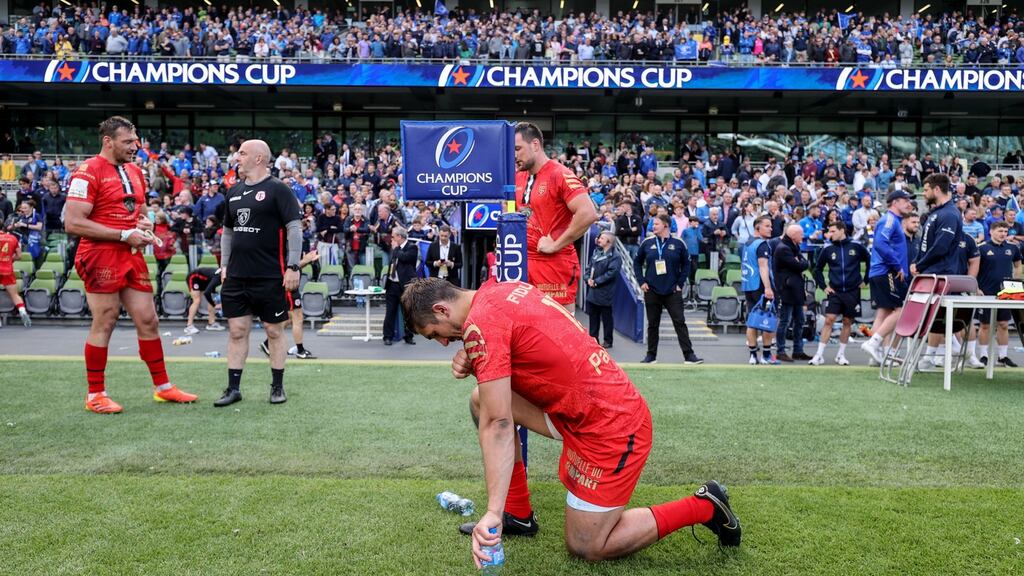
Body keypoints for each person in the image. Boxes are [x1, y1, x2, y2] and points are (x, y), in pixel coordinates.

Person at [400, 278, 740, 566]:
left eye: (435, 334)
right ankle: (518, 514)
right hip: (581, 410)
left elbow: (500, 424)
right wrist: (480, 362)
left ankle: (704, 505)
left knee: (587, 545)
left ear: (442, 310)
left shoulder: (480, 325)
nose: (444, 342)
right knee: (481, 400)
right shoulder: (500, 290)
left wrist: (491, 511)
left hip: (612, 426)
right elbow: (532, 352)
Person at [64, 116, 197, 414]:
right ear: (108, 141)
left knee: (149, 319)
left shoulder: (135, 170)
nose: (134, 147)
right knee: (106, 319)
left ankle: (163, 388)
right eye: (128, 142)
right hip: (99, 253)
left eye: (135, 141)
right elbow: (73, 222)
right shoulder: (87, 172)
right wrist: (124, 233)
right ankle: (95, 393)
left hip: (130, 253)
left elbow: (137, 209)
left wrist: (143, 222)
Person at [214, 139, 302, 408]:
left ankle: (277, 386)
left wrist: (293, 266)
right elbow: (228, 232)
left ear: (259, 158)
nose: (236, 157)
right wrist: (225, 264)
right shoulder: (234, 191)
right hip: (237, 276)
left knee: (274, 331)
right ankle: (233, 388)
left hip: (270, 276)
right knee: (237, 330)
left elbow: (294, 229)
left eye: (242, 153)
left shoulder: (278, 190)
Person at [514, 122, 599, 308]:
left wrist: (555, 244)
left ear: (535, 145)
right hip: (526, 265)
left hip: (555, 269)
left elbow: (588, 213)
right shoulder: (518, 177)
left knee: (557, 332)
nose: (515, 155)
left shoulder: (560, 174)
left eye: (518, 149)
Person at [913, 174, 968, 371]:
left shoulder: (949, 214)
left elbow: (941, 247)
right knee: (931, 319)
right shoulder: (937, 213)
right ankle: (941, 350)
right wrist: (917, 262)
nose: (924, 193)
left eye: (926, 189)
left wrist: (920, 265)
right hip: (930, 272)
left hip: (941, 275)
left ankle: (953, 346)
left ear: (937, 190)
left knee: (934, 319)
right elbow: (926, 245)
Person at [633, 214, 703, 365]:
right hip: (651, 290)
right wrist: (641, 281)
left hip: (672, 291)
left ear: (665, 225)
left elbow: (686, 264)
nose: (653, 226)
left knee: (680, 322)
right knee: (652, 324)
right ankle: (651, 356)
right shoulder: (647, 242)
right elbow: (637, 263)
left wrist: (680, 283)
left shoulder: (678, 243)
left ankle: (689, 356)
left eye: (656, 224)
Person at [860, 190, 916, 365]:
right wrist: (897, 265)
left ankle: (877, 355)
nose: (909, 204)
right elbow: (880, 243)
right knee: (900, 310)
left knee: (884, 312)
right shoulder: (890, 220)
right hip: (887, 272)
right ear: (895, 202)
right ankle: (873, 343)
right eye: (906, 200)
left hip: (882, 272)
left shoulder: (894, 221)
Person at [809, 221, 870, 366]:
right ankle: (819, 355)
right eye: (829, 232)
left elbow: (870, 262)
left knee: (847, 322)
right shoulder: (827, 249)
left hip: (852, 291)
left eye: (833, 231)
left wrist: (865, 280)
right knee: (829, 319)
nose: (830, 235)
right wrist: (823, 286)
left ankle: (840, 355)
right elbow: (817, 269)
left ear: (842, 231)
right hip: (835, 291)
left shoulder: (856, 246)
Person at [259, 250, 322, 360]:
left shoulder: (295, 240)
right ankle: (300, 351)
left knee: (288, 319)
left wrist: (307, 260)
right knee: (298, 317)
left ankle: (267, 343)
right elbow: (289, 267)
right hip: (288, 284)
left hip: (289, 284)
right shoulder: (288, 241)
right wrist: (306, 260)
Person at [975, 221, 1022, 367]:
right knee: (985, 324)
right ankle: (983, 355)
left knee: (1003, 324)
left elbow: (1018, 265)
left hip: (1005, 293)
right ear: (991, 232)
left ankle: (1003, 357)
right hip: (986, 291)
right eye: (1000, 231)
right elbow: (973, 267)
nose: (1003, 234)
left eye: (1005, 231)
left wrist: (1015, 285)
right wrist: (976, 288)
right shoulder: (982, 248)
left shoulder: (1013, 248)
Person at [742, 216, 778, 365]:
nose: (771, 228)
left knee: (752, 320)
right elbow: (763, 267)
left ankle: (752, 355)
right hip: (760, 286)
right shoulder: (762, 244)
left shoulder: (747, 243)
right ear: (758, 228)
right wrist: (768, 288)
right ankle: (766, 355)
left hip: (748, 285)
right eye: (767, 226)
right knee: (766, 320)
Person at [773, 224, 811, 362]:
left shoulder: (793, 247)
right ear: (793, 235)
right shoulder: (784, 249)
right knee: (785, 321)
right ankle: (781, 350)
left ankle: (798, 350)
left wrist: (801, 262)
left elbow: (805, 263)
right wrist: (801, 263)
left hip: (796, 289)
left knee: (800, 320)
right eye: (801, 234)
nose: (803, 236)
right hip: (787, 290)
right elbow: (799, 265)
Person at [382, 226, 419, 345]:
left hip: (405, 285)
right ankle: (387, 336)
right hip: (392, 284)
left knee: (407, 312)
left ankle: (408, 336)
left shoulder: (412, 247)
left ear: (399, 236)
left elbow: (405, 258)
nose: (392, 238)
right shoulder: (395, 249)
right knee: (390, 312)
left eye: (393, 236)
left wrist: (396, 249)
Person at [585, 230, 621, 349]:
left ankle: (608, 341)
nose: (599, 239)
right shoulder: (596, 252)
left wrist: (597, 281)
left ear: (609, 241)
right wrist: (587, 279)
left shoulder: (615, 256)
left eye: (602, 238)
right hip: (593, 292)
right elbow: (589, 268)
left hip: (605, 292)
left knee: (606, 319)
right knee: (593, 317)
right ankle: (593, 339)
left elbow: (612, 273)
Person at [0, 220, 31, 327]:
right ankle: (23, 312)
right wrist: (9, 259)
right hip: (7, 270)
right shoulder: (12, 238)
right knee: (14, 295)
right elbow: (19, 256)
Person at [184, 266, 224, 335]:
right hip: (194, 277)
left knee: (212, 298)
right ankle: (189, 326)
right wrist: (215, 305)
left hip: (205, 280)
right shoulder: (218, 277)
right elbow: (207, 293)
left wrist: (214, 303)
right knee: (197, 300)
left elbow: (210, 292)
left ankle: (211, 323)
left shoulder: (223, 277)